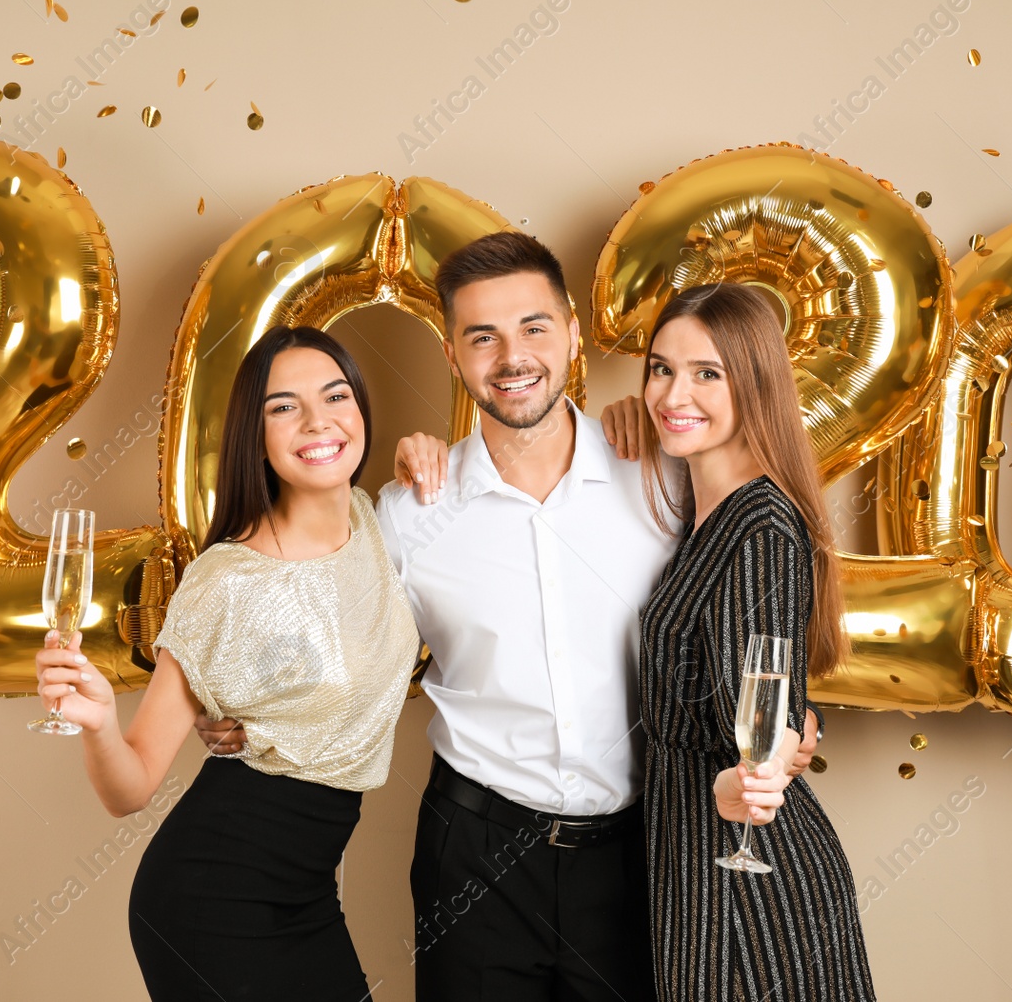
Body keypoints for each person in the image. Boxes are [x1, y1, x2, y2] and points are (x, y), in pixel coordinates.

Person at [194, 233, 821, 1000]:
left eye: (533, 327)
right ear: (454, 357)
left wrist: (796, 719)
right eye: (481, 336)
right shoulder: (408, 513)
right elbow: (320, 622)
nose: (511, 355)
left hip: (639, 852)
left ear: (571, 338)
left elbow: (744, 612)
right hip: (475, 855)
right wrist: (237, 702)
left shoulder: (664, 476)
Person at [33, 325, 420, 1001]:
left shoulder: (375, 520)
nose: (317, 420)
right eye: (283, 407)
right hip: (211, 899)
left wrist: (430, 449)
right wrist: (97, 722)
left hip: (308, 890)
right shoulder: (226, 581)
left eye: (335, 395)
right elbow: (130, 790)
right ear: (256, 433)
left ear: (360, 407)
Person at [636, 282, 875, 1000]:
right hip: (691, 862)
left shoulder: (760, 528)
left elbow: (759, 725)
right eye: (660, 368)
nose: (676, 392)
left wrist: (741, 779)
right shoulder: (703, 511)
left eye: (708, 372)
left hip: (747, 880)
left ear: (755, 382)